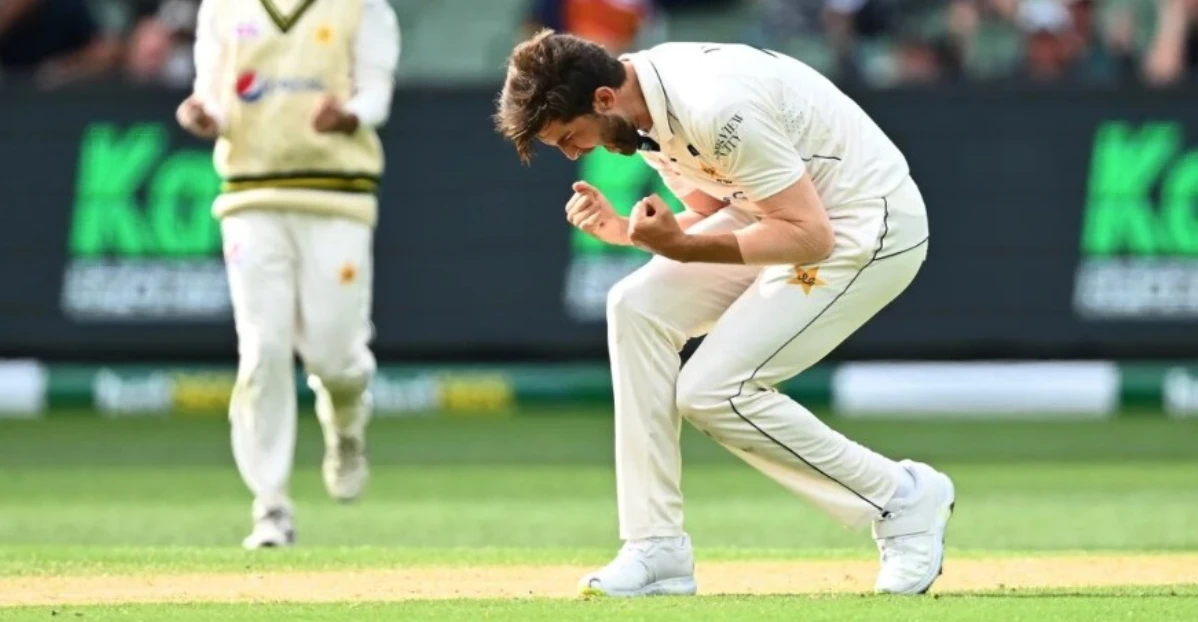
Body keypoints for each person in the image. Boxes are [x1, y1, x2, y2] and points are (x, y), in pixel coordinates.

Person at [494, 30, 954, 597]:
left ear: (604, 99)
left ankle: (901, 498)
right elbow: (710, 210)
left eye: (569, 137)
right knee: (634, 306)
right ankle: (655, 548)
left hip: (867, 225)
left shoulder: (712, 106)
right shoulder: (641, 117)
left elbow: (808, 235)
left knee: (713, 391)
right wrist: (627, 232)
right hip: (783, 214)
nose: (571, 153)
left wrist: (680, 248)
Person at [175, 0, 400, 549]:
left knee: (334, 356)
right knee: (262, 349)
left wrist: (349, 115)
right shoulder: (223, 8)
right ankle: (271, 505)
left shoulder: (362, 7)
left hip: (337, 195)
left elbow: (376, 93)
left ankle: (345, 425)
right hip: (251, 196)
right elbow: (213, 93)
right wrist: (203, 114)